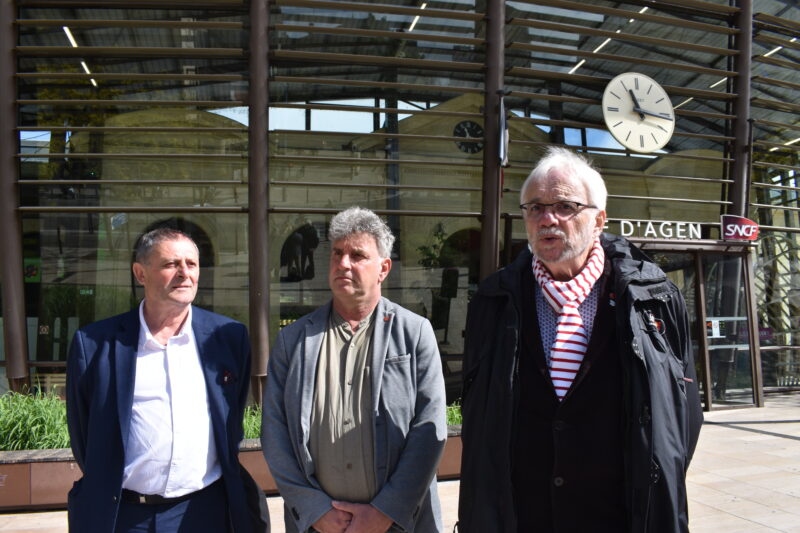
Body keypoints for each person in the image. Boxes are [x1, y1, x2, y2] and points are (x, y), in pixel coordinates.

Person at [458, 147, 703, 533]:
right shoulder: (493, 299)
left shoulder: (653, 296)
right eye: (535, 208)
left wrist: (654, 486)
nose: (547, 219)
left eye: (564, 206)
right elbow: (480, 415)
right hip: (523, 517)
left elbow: (682, 413)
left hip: (619, 517)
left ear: (599, 220)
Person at [66, 227, 265, 533]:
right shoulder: (94, 344)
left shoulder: (228, 337)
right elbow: (83, 436)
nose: (184, 273)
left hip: (205, 511)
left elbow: (232, 418)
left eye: (192, 264)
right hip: (124, 515)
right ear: (140, 273)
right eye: (171, 264)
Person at [262, 206, 447, 533]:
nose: (343, 263)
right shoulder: (294, 340)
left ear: (383, 268)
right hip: (319, 525)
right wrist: (314, 510)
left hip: (398, 523)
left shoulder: (414, 332)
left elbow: (429, 428)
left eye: (357, 255)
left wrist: (386, 511)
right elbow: (275, 433)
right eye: (337, 253)